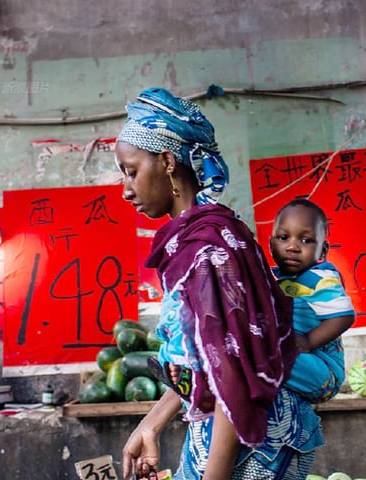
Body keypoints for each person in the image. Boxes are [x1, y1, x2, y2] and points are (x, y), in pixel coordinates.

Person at [115, 87, 323, 480]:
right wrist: (152, 423)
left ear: (166, 161)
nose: (126, 189)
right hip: (243, 438)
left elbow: (235, 376)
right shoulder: (213, 238)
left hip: (248, 447)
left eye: (131, 170)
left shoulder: (208, 251)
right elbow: (213, 362)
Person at [269, 199, 355, 403]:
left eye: (306, 240)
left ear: (323, 251)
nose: (292, 247)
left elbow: (344, 316)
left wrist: (309, 341)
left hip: (323, 372)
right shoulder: (272, 278)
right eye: (283, 237)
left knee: (262, 352)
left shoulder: (320, 278)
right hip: (301, 364)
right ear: (271, 244)